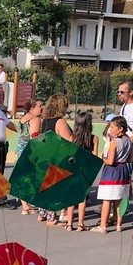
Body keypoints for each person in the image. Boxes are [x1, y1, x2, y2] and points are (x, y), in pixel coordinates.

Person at [92, 115, 133, 234]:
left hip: (112, 172)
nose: (110, 129)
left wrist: (103, 159)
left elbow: (110, 161)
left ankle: (103, 226)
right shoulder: (128, 140)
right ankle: (119, 225)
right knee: (119, 199)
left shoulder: (115, 142)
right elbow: (131, 158)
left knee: (107, 199)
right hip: (123, 171)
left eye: (112, 127)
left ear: (120, 128)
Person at [39, 94, 73, 223]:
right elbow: (67, 143)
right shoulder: (60, 122)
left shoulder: (45, 121)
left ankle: (43, 214)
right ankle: (52, 219)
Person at [66, 111, 99, 232]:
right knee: (82, 198)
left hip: (73, 170)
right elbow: (95, 157)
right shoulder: (94, 138)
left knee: (71, 197)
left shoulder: (71, 138)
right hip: (85, 171)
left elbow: (68, 156)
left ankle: (69, 224)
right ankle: (80, 224)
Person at [16, 98, 42, 216]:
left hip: (20, 151)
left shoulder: (22, 119)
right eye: (39, 106)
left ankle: (25, 207)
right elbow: (34, 137)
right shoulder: (35, 119)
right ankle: (33, 204)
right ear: (32, 108)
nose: (42, 108)